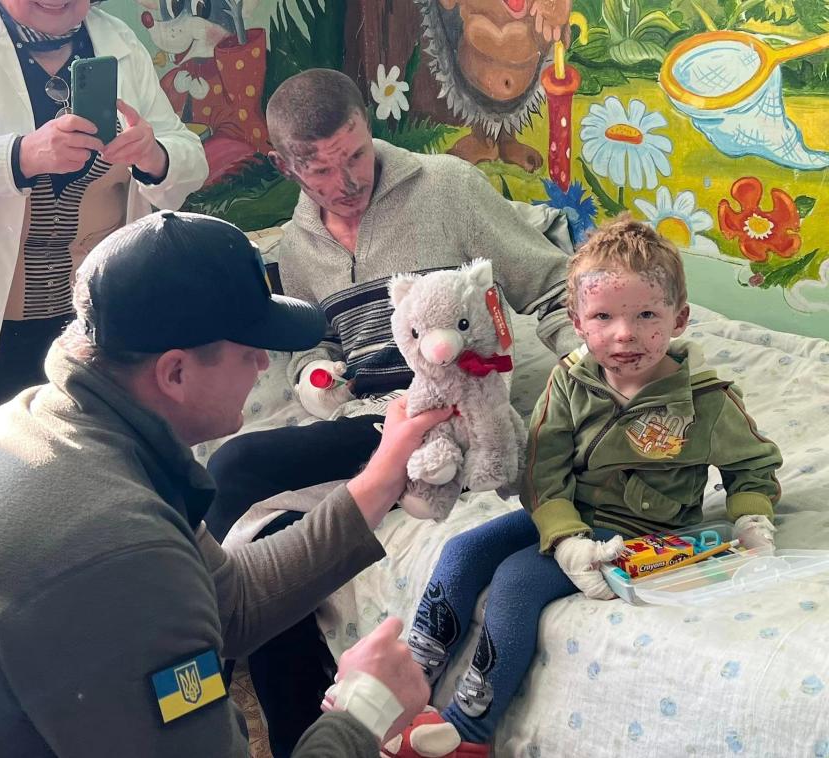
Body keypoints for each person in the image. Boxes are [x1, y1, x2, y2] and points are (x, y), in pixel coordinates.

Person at [0, 211, 449, 756]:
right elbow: (142, 581)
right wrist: (365, 711)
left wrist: (379, 477)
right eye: (249, 352)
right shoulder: (115, 545)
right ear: (174, 372)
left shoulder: (43, 422)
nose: (264, 368)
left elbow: (228, 600)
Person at [201, 66, 582, 757]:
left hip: (447, 411)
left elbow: (552, 285)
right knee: (275, 543)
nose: (347, 181)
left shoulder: (446, 187)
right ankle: (298, 739)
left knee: (236, 462)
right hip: (363, 418)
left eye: (355, 154)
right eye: (321, 170)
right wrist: (316, 378)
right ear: (289, 167)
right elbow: (313, 346)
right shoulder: (297, 244)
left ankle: (196, 672)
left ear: (368, 129)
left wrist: (593, 366)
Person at [385, 216, 783, 757]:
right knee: (463, 550)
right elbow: (543, 469)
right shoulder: (569, 382)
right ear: (577, 322)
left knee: (516, 582)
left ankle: (469, 731)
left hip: (640, 531)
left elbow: (753, 465)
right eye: (603, 317)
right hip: (566, 512)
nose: (625, 334)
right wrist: (565, 536)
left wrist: (749, 516)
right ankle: (409, 677)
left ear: (680, 317)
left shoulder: (706, 400)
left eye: (646, 315)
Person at [0, 0, 209, 496]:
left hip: (86, 328)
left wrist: (152, 155)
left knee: (83, 487)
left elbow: (187, 154)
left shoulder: (115, 40)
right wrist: (20, 155)